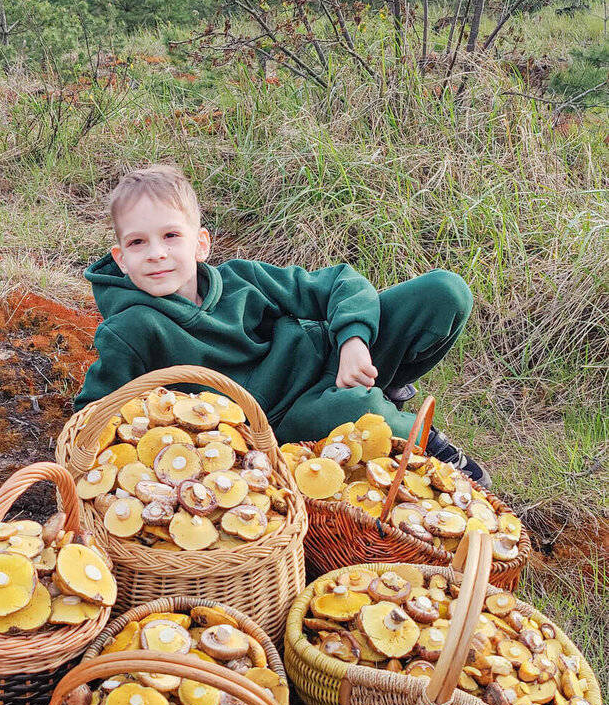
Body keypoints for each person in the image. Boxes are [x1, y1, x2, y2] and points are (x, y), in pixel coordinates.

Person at [74, 164, 490, 486]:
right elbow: (92, 412)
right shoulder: (131, 329)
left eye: (170, 236)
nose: (156, 254)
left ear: (200, 244)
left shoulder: (241, 278)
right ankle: (423, 441)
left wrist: (353, 341)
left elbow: (339, 283)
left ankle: (383, 379)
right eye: (138, 243)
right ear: (122, 258)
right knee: (361, 410)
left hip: (333, 359)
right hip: (285, 419)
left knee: (445, 293)